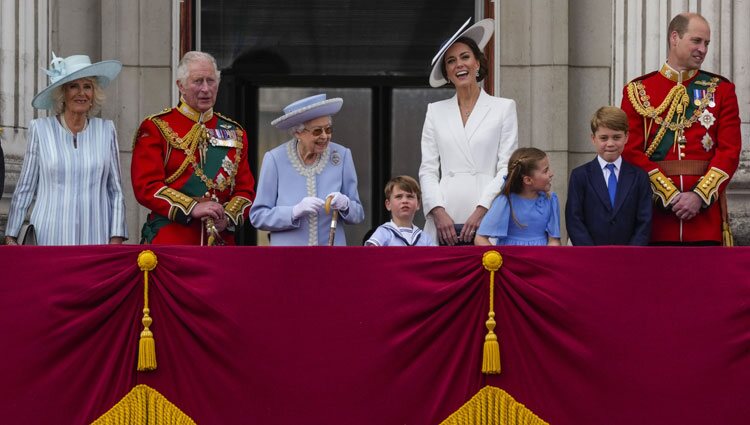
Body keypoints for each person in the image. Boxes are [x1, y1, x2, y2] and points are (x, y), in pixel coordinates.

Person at [620, 13, 741, 245]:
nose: (703, 49)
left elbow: (729, 151)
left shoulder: (722, 90)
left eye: (706, 43)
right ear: (674, 38)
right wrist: (670, 195)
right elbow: (630, 151)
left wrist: (698, 196)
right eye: (696, 41)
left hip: (704, 219)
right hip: (655, 219)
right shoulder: (637, 90)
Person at [131, 51, 256, 245]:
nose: (205, 89)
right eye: (198, 81)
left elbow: (245, 190)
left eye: (211, 81)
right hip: (172, 242)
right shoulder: (157, 127)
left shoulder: (235, 132)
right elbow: (146, 187)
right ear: (180, 86)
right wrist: (192, 208)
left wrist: (228, 218)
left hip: (220, 244)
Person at [4, 53, 127, 245]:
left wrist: (116, 237)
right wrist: (11, 235)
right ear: (62, 94)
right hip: (49, 236)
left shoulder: (106, 131)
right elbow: (25, 187)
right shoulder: (40, 129)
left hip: (95, 236)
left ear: (94, 94)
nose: (81, 93)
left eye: (87, 86)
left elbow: (116, 191)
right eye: (73, 86)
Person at [419, 18, 518, 246]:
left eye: (465, 57)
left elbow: (506, 167)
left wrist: (482, 210)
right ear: (447, 72)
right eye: (451, 61)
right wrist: (437, 211)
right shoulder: (435, 111)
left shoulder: (504, 107)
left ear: (477, 63)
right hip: (445, 216)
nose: (459, 65)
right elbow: (428, 169)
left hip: (488, 213)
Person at [250, 94, 364, 246]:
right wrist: (294, 211)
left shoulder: (342, 156)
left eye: (328, 129)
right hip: (289, 258)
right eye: (317, 131)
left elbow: (358, 215)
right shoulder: (275, 159)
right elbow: (258, 216)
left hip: (330, 257)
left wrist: (346, 205)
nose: (325, 136)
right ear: (298, 133)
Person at [566, 106, 652, 245]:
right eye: (604, 138)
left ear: (626, 137)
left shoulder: (639, 176)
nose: (610, 144)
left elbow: (645, 220)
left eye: (616, 137)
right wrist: (591, 254)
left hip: (629, 257)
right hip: (591, 257)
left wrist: (632, 253)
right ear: (593, 139)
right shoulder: (580, 176)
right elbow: (574, 219)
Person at [474, 147, 560, 246]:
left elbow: (554, 240)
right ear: (528, 180)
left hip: (539, 258)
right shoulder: (505, 201)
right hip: (511, 259)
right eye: (545, 171)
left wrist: (547, 259)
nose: (551, 174)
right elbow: (480, 238)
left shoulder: (550, 200)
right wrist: (496, 259)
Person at [365, 175, 436, 246]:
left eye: (410, 196)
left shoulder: (424, 237)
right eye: (398, 196)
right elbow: (370, 254)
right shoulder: (383, 232)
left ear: (418, 204)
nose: (405, 201)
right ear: (388, 204)